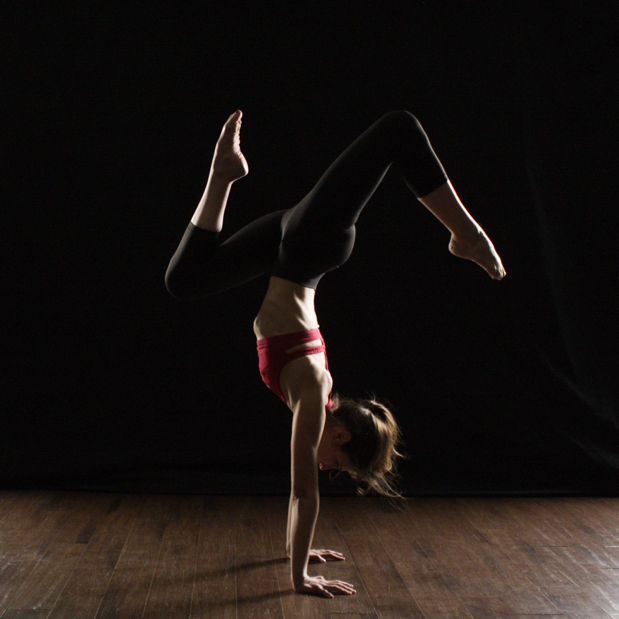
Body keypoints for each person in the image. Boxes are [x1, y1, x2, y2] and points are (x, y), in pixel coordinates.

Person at [165, 110, 505, 598]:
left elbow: (296, 496)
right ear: (341, 434)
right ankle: (464, 233)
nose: (329, 469)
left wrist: (296, 553)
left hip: (287, 246)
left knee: (184, 281)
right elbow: (304, 493)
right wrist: (300, 577)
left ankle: (224, 175)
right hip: (309, 245)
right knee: (396, 131)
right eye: (340, 464)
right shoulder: (312, 393)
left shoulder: (315, 398)